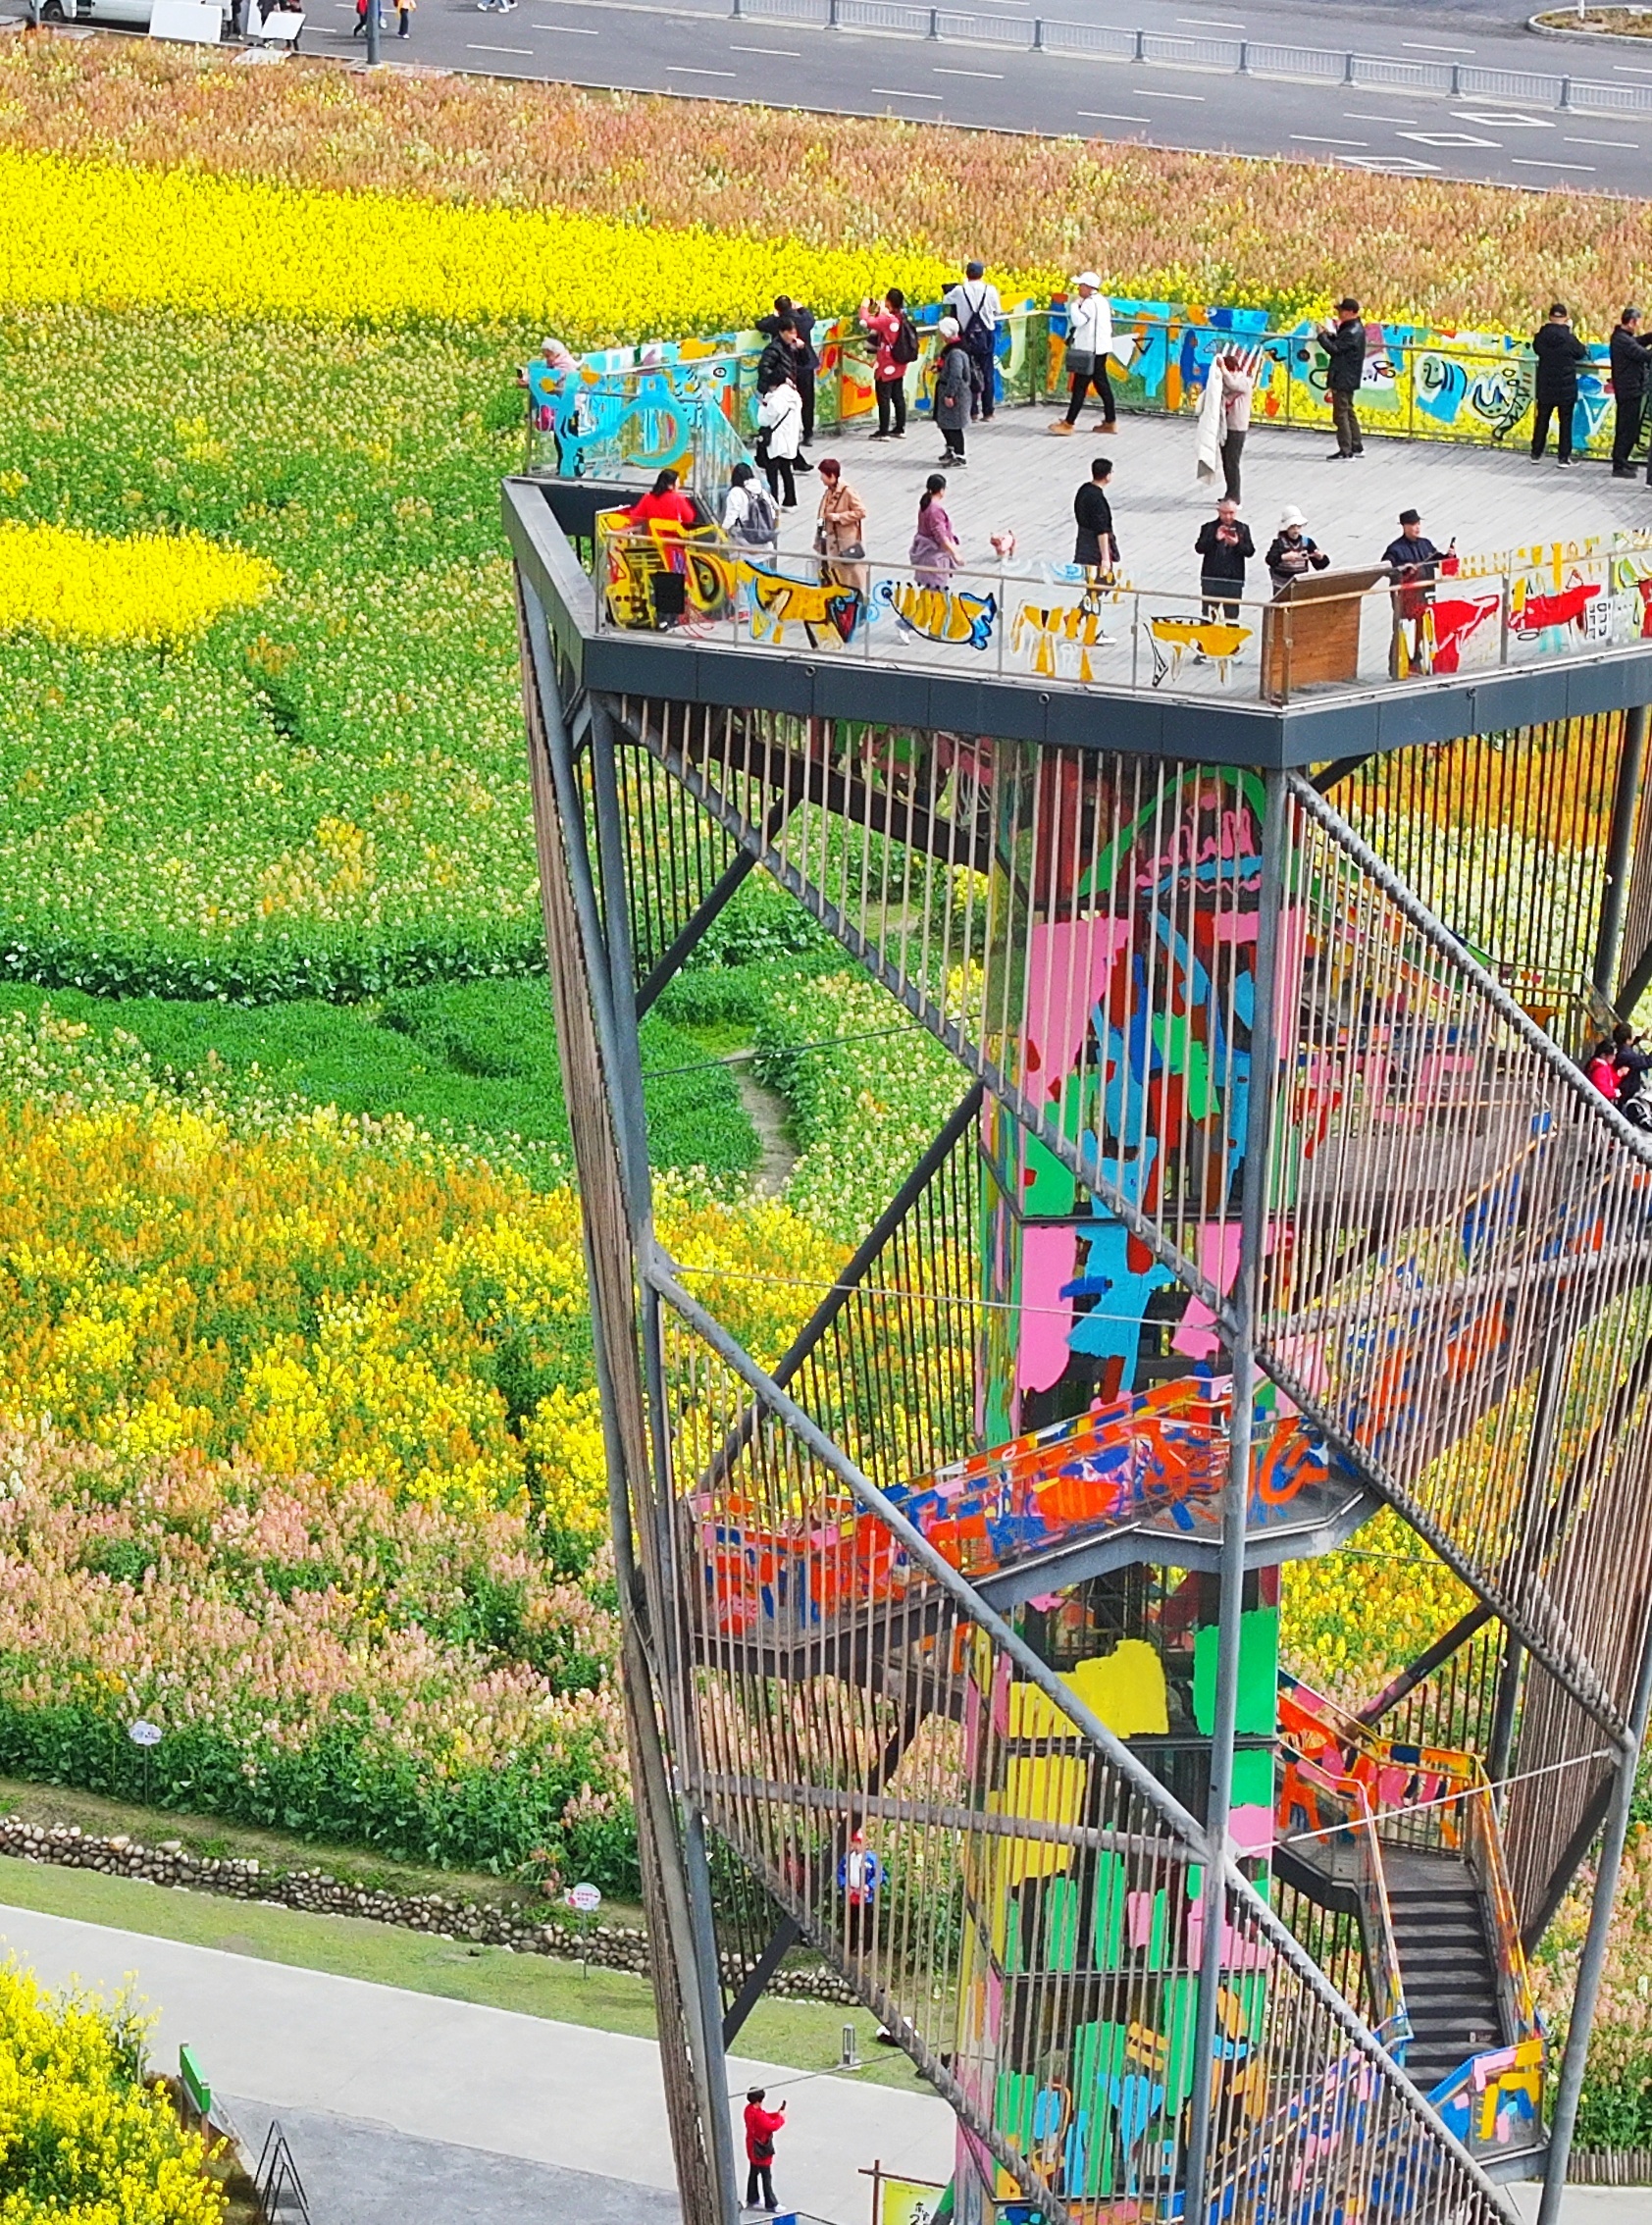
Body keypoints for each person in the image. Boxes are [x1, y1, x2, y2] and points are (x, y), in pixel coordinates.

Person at [1381, 507, 1455, 677]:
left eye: (1418, 524)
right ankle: (1397, 666)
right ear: (1404, 526)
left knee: (1424, 628)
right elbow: (1386, 568)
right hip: (1405, 598)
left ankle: (1418, 662)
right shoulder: (1395, 549)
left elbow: (1438, 561)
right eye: (1413, 524)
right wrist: (1402, 568)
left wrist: (1449, 556)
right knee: (1403, 629)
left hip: (1425, 594)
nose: (1417, 527)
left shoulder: (1425, 544)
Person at [1051, 273, 1118, 437]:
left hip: (1089, 350)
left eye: (1081, 286)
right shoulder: (1102, 301)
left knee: (1079, 387)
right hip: (1101, 349)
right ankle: (1110, 421)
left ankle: (1069, 423)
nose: (1079, 289)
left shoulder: (1088, 303)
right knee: (1102, 385)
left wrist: (1075, 305)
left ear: (1088, 287)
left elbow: (1079, 321)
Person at [757, 295, 819, 452]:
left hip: (787, 370)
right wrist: (802, 308)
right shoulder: (803, 319)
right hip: (805, 366)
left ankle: (788, 436)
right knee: (807, 401)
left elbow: (760, 324)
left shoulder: (778, 322)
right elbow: (811, 318)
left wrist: (773, 315)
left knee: (786, 403)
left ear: (778, 309)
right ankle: (808, 433)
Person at [945, 260, 1003, 421]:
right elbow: (998, 310)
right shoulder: (990, 290)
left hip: (966, 338)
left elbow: (946, 300)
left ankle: (972, 411)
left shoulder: (960, 290)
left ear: (966, 273)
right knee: (988, 374)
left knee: (968, 373)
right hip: (986, 337)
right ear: (982, 274)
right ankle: (988, 412)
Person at [1531, 303, 1588, 467]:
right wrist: (1569, 330)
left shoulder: (1541, 337)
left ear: (1550, 317)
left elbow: (1537, 349)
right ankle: (1563, 458)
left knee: (1542, 419)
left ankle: (1536, 453)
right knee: (1565, 422)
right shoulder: (1569, 339)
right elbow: (1580, 352)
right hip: (1566, 387)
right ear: (1566, 318)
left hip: (1545, 385)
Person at [860, 289, 914, 442]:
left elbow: (866, 322)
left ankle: (883, 431)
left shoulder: (888, 320)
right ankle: (900, 428)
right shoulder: (901, 316)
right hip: (899, 363)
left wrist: (864, 306)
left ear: (889, 302)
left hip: (887, 364)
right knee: (898, 396)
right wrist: (881, 311)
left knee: (883, 397)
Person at [815, 458, 869, 601]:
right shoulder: (828, 492)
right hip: (830, 543)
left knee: (850, 577)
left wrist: (839, 517)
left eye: (823, 475)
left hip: (845, 544)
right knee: (833, 576)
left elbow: (861, 511)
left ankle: (855, 601)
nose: (821, 478)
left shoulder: (847, 492)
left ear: (832, 475)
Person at [1320, 297, 1367, 460]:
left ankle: (1346, 451)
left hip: (1343, 377)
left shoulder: (1351, 331)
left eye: (1342, 311)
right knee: (1348, 411)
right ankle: (1356, 445)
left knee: (1341, 414)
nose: (1339, 314)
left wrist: (1321, 336)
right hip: (1349, 377)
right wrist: (1330, 335)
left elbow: (1335, 349)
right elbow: (1341, 344)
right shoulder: (1354, 328)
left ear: (1351, 312)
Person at [1195, 496, 1254, 622]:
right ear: (1219, 512)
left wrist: (1237, 544)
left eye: (1231, 513)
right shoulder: (1208, 527)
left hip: (1234, 580)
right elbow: (1199, 548)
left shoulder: (1242, 528)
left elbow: (1250, 551)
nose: (1228, 517)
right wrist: (1215, 539)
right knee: (1208, 617)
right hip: (1211, 580)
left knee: (1232, 617)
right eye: (1224, 513)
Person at [1610, 307, 1652, 479]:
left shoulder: (1622, 337)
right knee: (1625, 428)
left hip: (1630, 388)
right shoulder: (1622, 341)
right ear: (1632, 322)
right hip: (1628, 389)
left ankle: (1623, 459)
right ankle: (1619, 463)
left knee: (1630, 427)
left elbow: (1638, 342)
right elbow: (1644, 355)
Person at [755, 375, 803, 509]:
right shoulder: (794, 396)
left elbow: (764, 420)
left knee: (772, 472)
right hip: (790, 439)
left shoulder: (776, 400)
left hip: (777, 441)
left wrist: (763, 406)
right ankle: (790, 501)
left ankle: (773, 501)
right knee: (786, 470)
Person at [932, 318, 974, 466]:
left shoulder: (955, 352)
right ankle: (951, 449)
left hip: (955, 393)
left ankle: (960, 455)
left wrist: (950, 394)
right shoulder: (953, 349)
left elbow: (956, 374)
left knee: (954, 425)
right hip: (947, 389)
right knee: (945, 423)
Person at [910, 474, 961, 592]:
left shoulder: (925, 505)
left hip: (925, 554)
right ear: (941, 490)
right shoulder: (935, 510)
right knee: (935, 591)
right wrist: (955, 554)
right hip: (934, 557)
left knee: (929, 591)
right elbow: (940, 536)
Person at [1265, 505, 1330, 595]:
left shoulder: (1307, 542)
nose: (1296, 530)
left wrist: (1320, 558)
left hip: (1300, 584)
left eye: (1298, 527)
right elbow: (1269, 559)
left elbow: (1320, 565)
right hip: (1282, 586)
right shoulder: (1279, 543)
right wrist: (1283, 557)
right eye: (1293, 527)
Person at [744, 2088, 786, 2213]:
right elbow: (771, 2125)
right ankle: (771, 2203)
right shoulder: (758, 2115)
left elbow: (765, 2117)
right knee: (766, 2176)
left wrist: (776, 2114)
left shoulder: (749, 2110)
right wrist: (780, 2118)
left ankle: (752, 2197)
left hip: (752, 2146)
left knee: (754, 2172)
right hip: (761, 2149)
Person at [723, 461, 779, 554]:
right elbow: (774, 511)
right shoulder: (762, 491)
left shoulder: (736, 492)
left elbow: (731, 517)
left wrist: (721, 533)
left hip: (747, 540)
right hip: (766, 540)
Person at [1073, 456, 1118, 574]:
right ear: (1107, 476)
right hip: (1094, 549)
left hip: (1082, 542)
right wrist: (1105, 558)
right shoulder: (1097, 499)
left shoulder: (1083, 490)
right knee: (1098, 579)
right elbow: (1102, 530)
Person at [627, 468, 697, 531]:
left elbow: (635, 517)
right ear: (670, 485)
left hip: (653, 538)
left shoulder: (647, 497)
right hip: (673, 538)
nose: (679, 485)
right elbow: (689, 518)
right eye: (678, 483)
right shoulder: (679, 499)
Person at [1612, 1021, 1652, 1129]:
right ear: (1628, 1039)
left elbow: (1628, 1046)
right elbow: (1646, 1062)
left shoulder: (1621, 1050)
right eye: (1633, 1034)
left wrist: (1640, 1038)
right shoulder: (1625, 1056)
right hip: (1627, 1095)